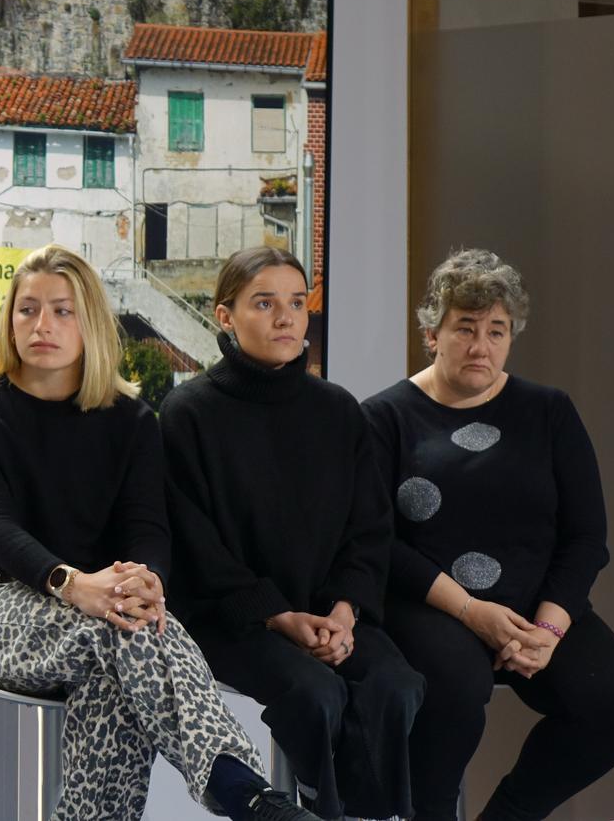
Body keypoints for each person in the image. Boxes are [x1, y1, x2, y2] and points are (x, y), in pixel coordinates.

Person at [0, 243, 317, 821]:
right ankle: (244, 790)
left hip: (100, 609)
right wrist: (72, 583)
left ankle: (242, 796)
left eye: (62, 310)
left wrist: (146, 581)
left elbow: (146, 528)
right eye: (27, 309)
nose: (42, 325)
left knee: (114, 667)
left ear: (90, 322)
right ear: (9, 320)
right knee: (117, 631)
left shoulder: (132, 420)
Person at [362, 248, 614, 821]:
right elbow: (376, 542)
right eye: (464, 328)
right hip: (432, 605)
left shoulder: (549, 412)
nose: (481, 346)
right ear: (431, 334)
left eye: (497, 331)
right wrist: (472, 612)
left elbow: (587, 537)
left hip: (537, 607)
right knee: (456, 693)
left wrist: (546, 628)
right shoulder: (383, 418)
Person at [160, 246, 424, 820]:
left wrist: (345, 612)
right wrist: (278, 615)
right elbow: (195, 544)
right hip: (234, 619)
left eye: (297, 303)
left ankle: (369, 815)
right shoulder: (188, 414)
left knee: (395, 687)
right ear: (225, 316)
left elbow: (370, 529)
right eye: (265, 303)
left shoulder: (339, 411)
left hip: (332, 616)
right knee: (315, 694)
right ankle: (317, 807)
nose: (286, 318)